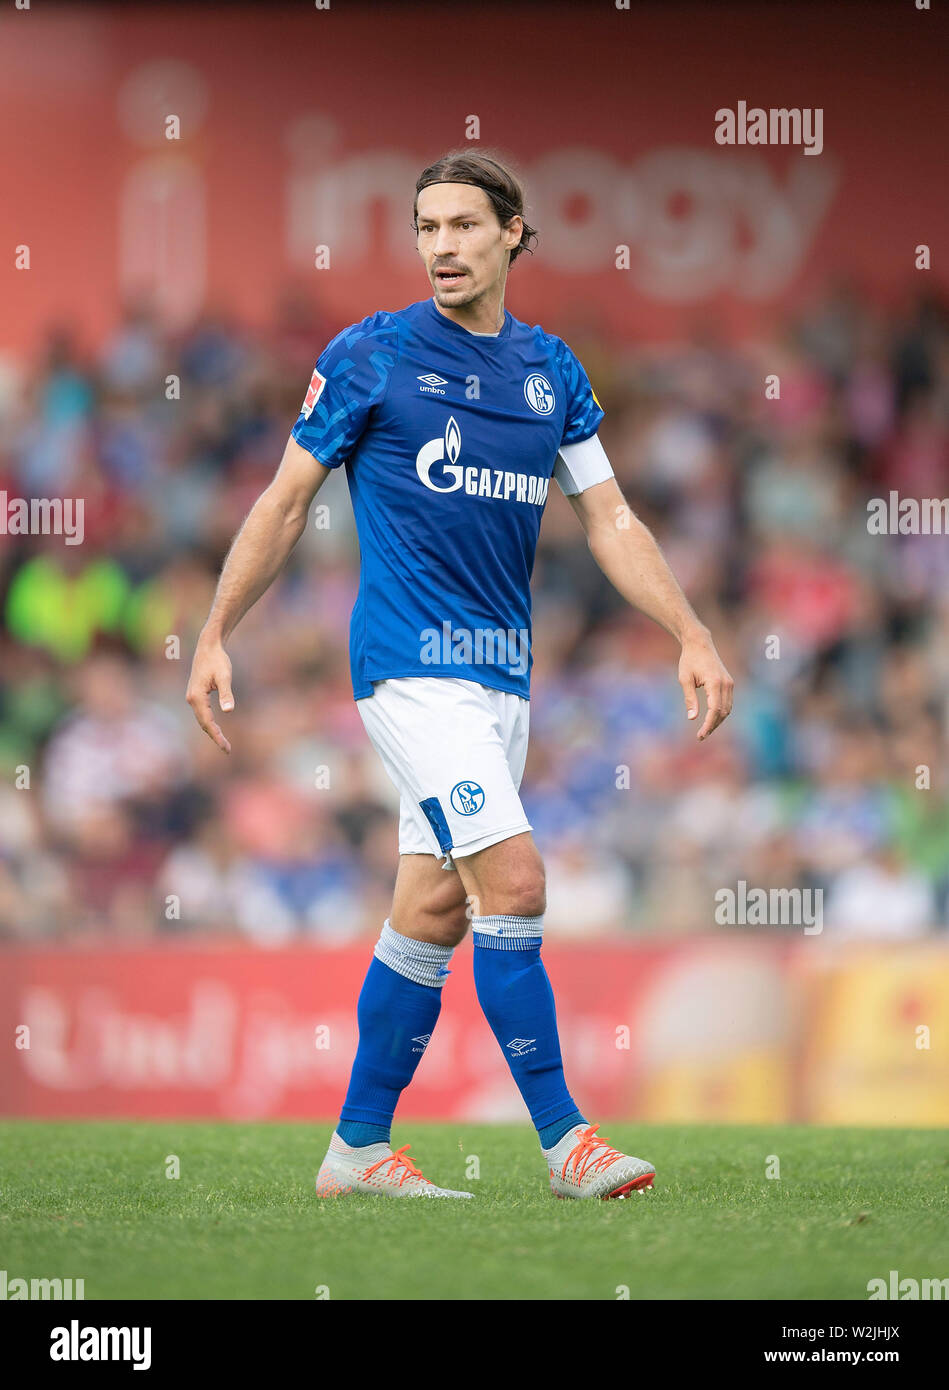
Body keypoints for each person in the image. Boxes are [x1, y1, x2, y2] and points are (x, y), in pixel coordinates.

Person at [186, 150, 734, 1200]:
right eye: (427, 227)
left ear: (513, 234)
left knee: (432, 910)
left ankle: (355, 1149)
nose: (441, 245)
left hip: (503, 684)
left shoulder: (551, 370)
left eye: (464, 226)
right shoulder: (372, 355)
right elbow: (286, 501)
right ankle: (568, 1142)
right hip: (409, 669)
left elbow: (609, 517)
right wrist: (215, 629)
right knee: (515, 882)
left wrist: (690, 630)